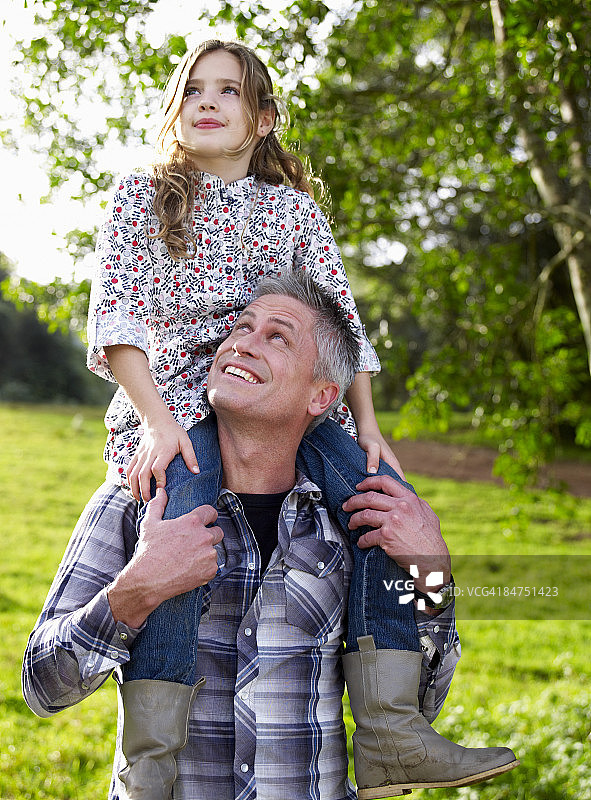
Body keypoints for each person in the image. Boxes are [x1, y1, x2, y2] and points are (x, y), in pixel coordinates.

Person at [24, 275, 518, 800]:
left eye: (277, 336)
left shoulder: (360, 516)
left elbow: (422, 701)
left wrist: (431, 569)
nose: (240, 342)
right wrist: (135, 591)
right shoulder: (140, 496)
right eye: (240, 326)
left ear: (323, 394)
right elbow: (41, 688)